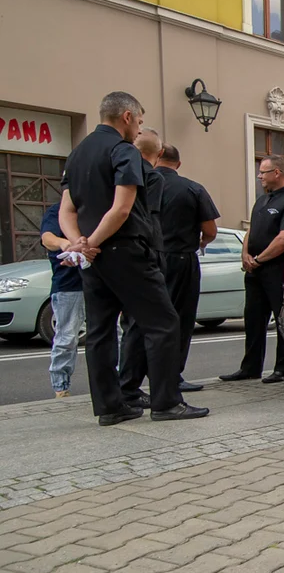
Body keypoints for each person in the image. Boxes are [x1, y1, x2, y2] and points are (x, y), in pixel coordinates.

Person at [59, 92, 207, 424]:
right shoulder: (122, 151)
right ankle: (167, 402)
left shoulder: (77, 154)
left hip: (94, 260)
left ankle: (111, 408)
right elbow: (122, 207)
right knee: (163, 322)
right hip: (125, 251)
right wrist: (93, 241)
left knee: (99, 330)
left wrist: (79, 243)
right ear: (126, 117)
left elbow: (67, 210)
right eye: (139, 121)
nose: (139, 129)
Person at [220, 155, 284, 384]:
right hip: (255, 270)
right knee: (253, 319)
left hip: (276, 270)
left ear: (277, 173)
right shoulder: (262, 201)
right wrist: (245, 255)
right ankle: (250, 368)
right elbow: (251, 230)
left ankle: (283, 369)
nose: (259, 176)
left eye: (263, 172)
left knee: (281, 320)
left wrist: (258, 260)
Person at [156, 143, 220, 391]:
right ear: (178, 164)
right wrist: (201, 242)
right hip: (181, 259)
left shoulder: (142, 185)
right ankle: (172, 376)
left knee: (144, 319)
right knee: (180, 318)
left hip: (148, 258)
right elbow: (210, 230)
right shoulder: (193, 189)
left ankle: (133, 379)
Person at [117, 128, 165, 408]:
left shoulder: (118, 171)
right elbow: (151, 217)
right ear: (158, 154)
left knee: (129, 324)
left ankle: (126, 386)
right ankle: (143, 390)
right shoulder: (152, 177)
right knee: (158, 324)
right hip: (144, 252)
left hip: (117, 254)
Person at [40, 203, 84, 399]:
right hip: (68, 284)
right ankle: (61, 388)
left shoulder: (97, 206)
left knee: (114, 334)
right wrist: (64, 243)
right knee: (67, 337)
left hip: (100, 282)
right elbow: (47, 238)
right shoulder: (57, 211)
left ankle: (119, 382)